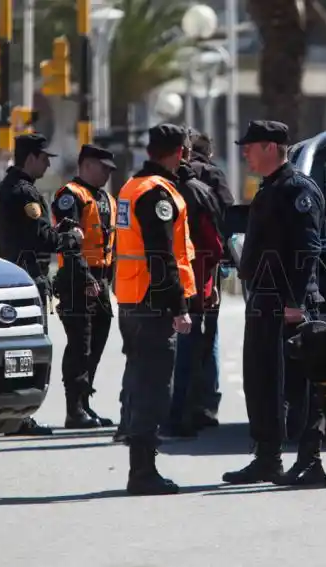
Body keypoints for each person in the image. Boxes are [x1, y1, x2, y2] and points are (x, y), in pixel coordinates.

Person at [222, 120, 326, 486]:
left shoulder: (296, 189)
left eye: (249, 147)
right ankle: (268, 459)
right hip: (264, 301)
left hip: (288, 305)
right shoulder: (271, 188)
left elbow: (308, 248)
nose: (244, 153)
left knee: (298, 386)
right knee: (263, 383)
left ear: (270, 147)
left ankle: (311, 461)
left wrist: (295, 301)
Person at [114, 123, 196, 495]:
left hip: (132, 298)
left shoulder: (132, 187)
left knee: (138, 380)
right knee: (153, 386)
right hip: (153, 302)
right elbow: (161, 255)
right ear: (178, 152)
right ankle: (143, 472)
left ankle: (140, 466)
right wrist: (178, 306)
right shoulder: (157, 194)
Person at [0, 133, 84, 436]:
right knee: (28, 353)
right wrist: (69, 238)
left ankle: (16, 415)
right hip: (28, 279)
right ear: (31, 157)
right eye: (45, 158)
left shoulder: (11, 188)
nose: (48, 164)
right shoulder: (24, 193)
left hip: (18, 276)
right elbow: (40, 237)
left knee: (21, 351)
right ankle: (19, 416)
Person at [51, 144, 118, 429]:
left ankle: (85, 405)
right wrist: (86, 278)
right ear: (87, 165)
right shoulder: (70, 196)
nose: (107, 173)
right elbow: (69, 245)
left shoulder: (106, 198)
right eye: (103, 167)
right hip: (78, 279)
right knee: (80, 344)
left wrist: (106, 281)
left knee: (96, 344)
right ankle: (73, 409)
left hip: (100, 280)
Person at [168, 138, 225, 437]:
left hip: (152, 285)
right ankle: (196, 411)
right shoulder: (206, 185)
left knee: (163, 352)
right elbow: (215, 243)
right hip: (197, 283)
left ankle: (160, 415)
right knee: (199, 347)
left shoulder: (150, 187)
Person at [183, 130, 233, 429]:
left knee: (179, 338)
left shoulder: (174, 177)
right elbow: (227, 217)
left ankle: (182, 403)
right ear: (209, 153)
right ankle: (206, 406)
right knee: (208, 337)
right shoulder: (213, 176)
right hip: (207, 269)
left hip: (177, 270)